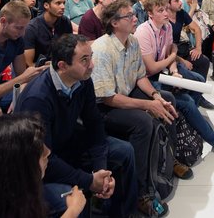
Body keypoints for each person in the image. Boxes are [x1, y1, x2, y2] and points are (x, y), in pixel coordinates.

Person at [16, 35, 137, 217]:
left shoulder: (83, 79)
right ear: (63, 66)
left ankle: (124, 213)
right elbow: (43, 158)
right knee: (70, 198)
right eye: (84, 60)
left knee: (124, 151)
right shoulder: (37, 99)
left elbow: (94, 123)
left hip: (66, 143)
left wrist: (100, 170)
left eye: (91, 57)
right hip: (39, 165)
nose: (92, 65)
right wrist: (89, 180)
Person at [90, 0, 185, 217]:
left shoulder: (131, 41)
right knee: (143, 122)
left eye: (134, 14)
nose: (135, 18)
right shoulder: (101, 49)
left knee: (167, 98)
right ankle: (141, 192)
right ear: (114, 22)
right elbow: (108, 98)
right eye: (129, 16)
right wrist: (147, 104)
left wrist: (155, 96)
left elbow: (140, 77)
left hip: (126, 92)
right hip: (106, 106)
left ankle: (169, 160)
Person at [135, 0, 214, 154]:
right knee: (186, 102)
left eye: (166, 9)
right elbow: (151, 68)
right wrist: (173, 58)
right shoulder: (143, 32)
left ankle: (188, 120)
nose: (166, 13)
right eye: (160, 10)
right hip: (148, 79)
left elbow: (169, 50)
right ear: (150, 14)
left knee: (198, 81)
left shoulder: (167, 26)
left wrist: (174, 70)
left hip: (163, 71)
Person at [163, 0, 212, 107]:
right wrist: (182, 61)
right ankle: (188, 96)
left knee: (203, 61)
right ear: (168, 4)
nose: (180, 3)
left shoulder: (181, 13)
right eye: (176, 1)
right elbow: (165, 49)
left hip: (180, 48)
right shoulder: (163, 19)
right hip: (170, 55)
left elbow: (197, 29)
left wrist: (198, 48)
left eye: (179, 0)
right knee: (187, 67)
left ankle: (198, 95)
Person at [23, 0, 73, 67]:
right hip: (39, 72)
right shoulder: (32, 28)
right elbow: (28, 63)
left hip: (60, 66)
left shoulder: (65, 22)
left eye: (63, 3)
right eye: (58, 3)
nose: (63, 7)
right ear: (46, 5)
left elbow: (69, 49)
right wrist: (47, 68)